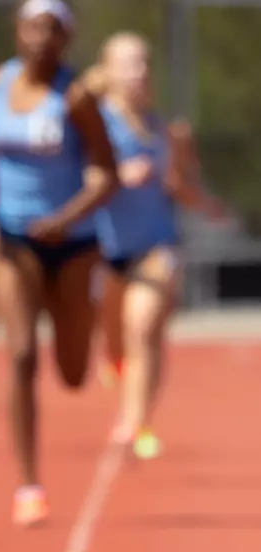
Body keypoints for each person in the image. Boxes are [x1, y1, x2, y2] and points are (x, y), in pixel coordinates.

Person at [0, 0, 117, 527]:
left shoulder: (75, 97)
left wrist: (66, 216)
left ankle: (89, 327)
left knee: (73, 372)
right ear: (17, 32)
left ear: (66, 38)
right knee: (24, 355)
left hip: (74, 244)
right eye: (32, 28)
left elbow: (108, 173)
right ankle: (29, 483)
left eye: (52, 30)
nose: (41, 39)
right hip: (15, 240)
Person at [88, 32, 225, 459]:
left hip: (157, 245)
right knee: (116, 339)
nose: (138, 73)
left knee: (144, 325)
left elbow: (179, 185)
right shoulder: (92, 125)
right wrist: (115, 177)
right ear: (108, 71)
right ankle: (115, 365)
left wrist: (204, 203)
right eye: (128, 64)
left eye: (144, 63)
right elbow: (71, 184)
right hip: (106, 250)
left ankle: (135, 421)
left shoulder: (166, 129)